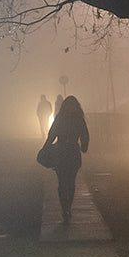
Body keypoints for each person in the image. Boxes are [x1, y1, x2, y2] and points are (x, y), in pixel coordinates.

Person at [45, 95, 90, 223]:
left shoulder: (60, 118)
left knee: (61, 182)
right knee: (71, 182)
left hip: (60, 152)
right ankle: (68, 207)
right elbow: (85, 135)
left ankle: (64, 207)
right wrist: (84, 147)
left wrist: (46, 148)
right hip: (74, 152)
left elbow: (51, 134)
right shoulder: (79, 119)